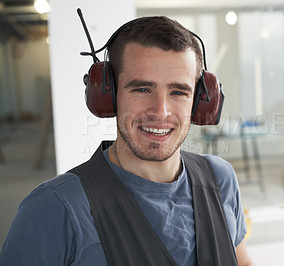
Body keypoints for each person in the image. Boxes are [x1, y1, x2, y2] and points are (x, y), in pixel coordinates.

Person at [0, 15, 254, 266]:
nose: (161, 111)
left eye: (178, 92)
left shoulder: (220, 178)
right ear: (107, 95)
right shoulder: (55, 207)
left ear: (200, 102)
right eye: (142, 89)